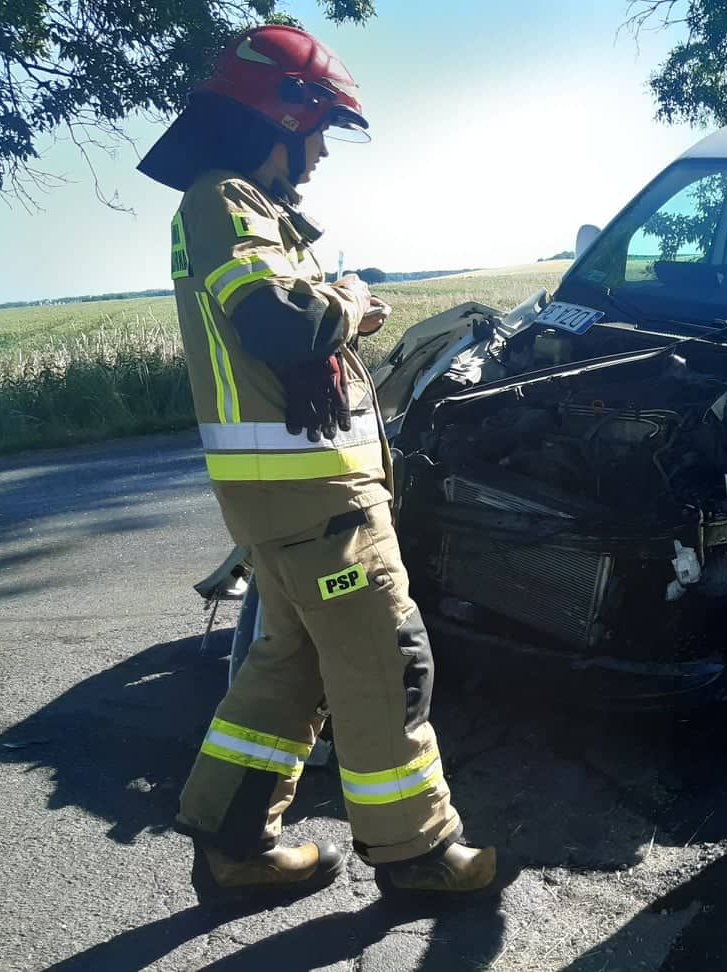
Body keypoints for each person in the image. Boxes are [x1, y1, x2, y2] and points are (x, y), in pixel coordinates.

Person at [138, 24, 495, 896]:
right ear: (279, 116)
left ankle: (233, 842)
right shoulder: (224, 200)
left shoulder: (232, 206)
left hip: (288, 500)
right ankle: (415, 852)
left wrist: (333, 307)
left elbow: (274, 324)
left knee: (289, 666)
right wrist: (349, 298)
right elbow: (274, 322)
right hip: (314, 499)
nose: (326, 150)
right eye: (321, 128)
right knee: (386, 660)